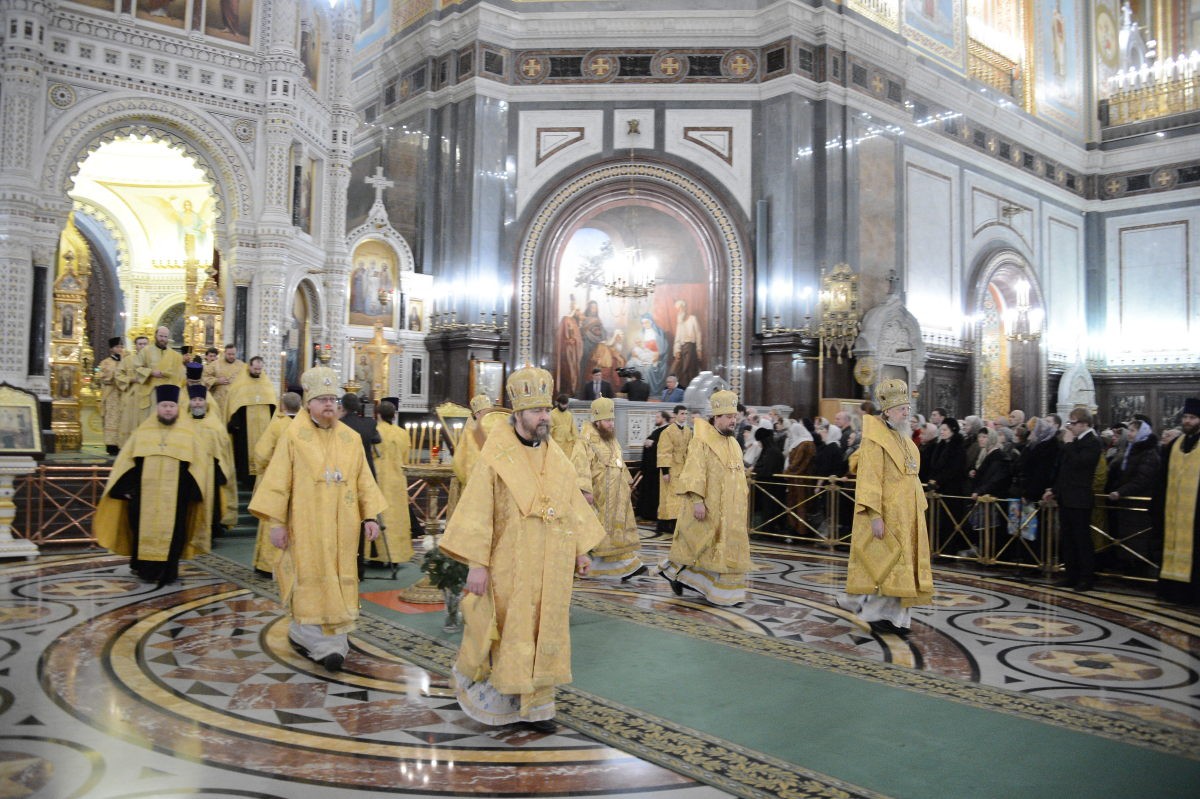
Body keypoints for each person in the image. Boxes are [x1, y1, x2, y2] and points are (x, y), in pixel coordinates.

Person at [438, 366, 605, 733]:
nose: (545, 417)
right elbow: (478, 510)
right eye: (537, 411)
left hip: (552, 564)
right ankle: (500, 699)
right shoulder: (496, 457)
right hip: (509, 566)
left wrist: (581, 551)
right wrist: (477, 564)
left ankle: (538, 707)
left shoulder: (555, 456)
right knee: (508, 630)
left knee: (547, 630)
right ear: (518, 413)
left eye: (547, 410)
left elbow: (572, 505)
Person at [249, 365, 386, 672]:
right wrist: (276, 524)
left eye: (332, 399)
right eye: (322, 399)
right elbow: (278, 482)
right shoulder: (293, 437)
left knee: (339, 576)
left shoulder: (350, 438)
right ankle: (313, 636)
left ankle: (334, 636)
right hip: (305, 526)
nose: (329, 405)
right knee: (310, 576)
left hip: (343, 527)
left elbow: (364, 480)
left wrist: (370, 517)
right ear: (308, 403)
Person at [836, 380, 933, 638]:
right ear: (887, 411)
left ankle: (896, 619)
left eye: (907, 408)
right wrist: (875, 515)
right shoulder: (875, 440)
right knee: (887, 566)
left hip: (908, 516)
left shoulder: (904, 439)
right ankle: (876, 616)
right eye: (901, 409)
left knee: (902, 569)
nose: (906, 413)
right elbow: (869, 478)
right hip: (888, 516)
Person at [93, 384, 211, 587]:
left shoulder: (188, 434)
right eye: (164, 406)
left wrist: (191, 492)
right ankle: (144, 569)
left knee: (174, 535)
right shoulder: (143, 432)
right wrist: (128, 489)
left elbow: (198, 466)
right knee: (141, 530)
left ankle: (168, 572)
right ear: (157, 408)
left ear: (177, 408)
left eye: (171, 406)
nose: (168, 410)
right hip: (143, 496)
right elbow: (128, 463)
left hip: (176, 498)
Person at [659, 390, 751, 605]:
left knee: (719, 549)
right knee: (700, 546)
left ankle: (721, 591)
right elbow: (694, 472)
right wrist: (697, 501)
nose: (733, 420)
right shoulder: (701, 441)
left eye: (735, 416)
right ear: (717, 417)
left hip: (731, 509)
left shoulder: (733, 443)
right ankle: (680, 576)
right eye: (729, 417)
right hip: (708, 505)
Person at [574, 397, 645, 580]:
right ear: (597, 421)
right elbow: (579, 466)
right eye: (607, 421)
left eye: (612, 420)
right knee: (600, 531)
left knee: (617, 531)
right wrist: (585, 490)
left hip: (618, 494)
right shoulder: (585, 440)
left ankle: (623, 563)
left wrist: (627, 482)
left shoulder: (611, 439)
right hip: (599, 495)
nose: (611, 424)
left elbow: (618, 461)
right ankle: (593, 567)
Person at [1043, 407, 1104, 592]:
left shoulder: (1093, 442)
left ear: (1084, 423)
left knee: (1081, 540)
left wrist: (1069, 444)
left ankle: (1086, 578)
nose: (1070, 427)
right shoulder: (1076, 441)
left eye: (1073, 423)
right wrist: (1054, 490)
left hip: (1080, 498)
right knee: (1067, 539)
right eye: (1069, 422)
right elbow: (1065, 470)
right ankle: (1071, 575)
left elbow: (1081, 464)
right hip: (1066, 497)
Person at [249, 392, 302, 574]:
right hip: (300, 483)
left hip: (278, 480)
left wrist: (264, 470)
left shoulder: (278, 425)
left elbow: (261, 454)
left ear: (283, 406)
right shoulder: (306, 426)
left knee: (274, 520)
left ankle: (268, 565)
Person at [1155, 397, 1200, 605]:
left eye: (1192, 418)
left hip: (1195, 516)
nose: (1187, 421)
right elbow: (1161, 479)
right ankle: (1172, 592)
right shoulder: (1174, 445)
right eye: (1185, 417)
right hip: (1172, 512)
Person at [1103, 416, 1161, 577]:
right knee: (1128, 538)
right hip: (1128, 503)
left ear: (1142, 433)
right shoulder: (1132, 449)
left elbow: (1142, 479)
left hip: (1140, 503)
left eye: (1133, 430)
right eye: (1129, 430)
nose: (1129, 433)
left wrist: (1121, 491)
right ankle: (1129, 570)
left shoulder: (1149, 453)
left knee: (1139, 539)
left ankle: (1139, 573)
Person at [367, 400, 413, 569]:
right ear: (394, 416)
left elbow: (369, 455)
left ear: (377, 414)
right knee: (396, 517)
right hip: (397, 480)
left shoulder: (374, 431)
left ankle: (377, 556)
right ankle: (396, 554)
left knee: (379, 514)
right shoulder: (402, 433)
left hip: (378, 478)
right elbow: (406, 458)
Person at [185, 384, 235, 539]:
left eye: (200, 400)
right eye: (194, 400)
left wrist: (222, 472)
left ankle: (211, 533)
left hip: (210, 473)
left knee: (211, 504)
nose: (197, 403)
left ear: (206, 403)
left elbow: (224, 452)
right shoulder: (183, 424)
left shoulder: (215, 426)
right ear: (189, 402)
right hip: (189, 472)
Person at [225, 356, 278, 488]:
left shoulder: (266, 383)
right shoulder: (241, 383)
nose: (257, 371)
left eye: (260, 369)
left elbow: (273, 404)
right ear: (249, 367)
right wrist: (235, 421)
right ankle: (246, 480)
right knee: (244, 452)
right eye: (255, 368)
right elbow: (234, 403)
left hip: (264, 425)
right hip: (245, 426)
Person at [453, 393, 509, 488]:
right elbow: (462, 458)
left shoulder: (498, 428)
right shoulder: (471, 431)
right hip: (478, 477)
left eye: (490, 411)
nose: (489, 414)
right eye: (486, 412)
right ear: (477, 414)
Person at [132, 326, 186, 423]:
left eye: (165, 337)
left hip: (168, 392)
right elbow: (136, 367)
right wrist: (151, 372)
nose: (163, 339)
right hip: (152, 391)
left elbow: (180, 374)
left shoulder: (175, 355)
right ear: (155, 336)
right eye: (161, 336)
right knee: (152, 419)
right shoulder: (146, 351)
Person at [656, 404, 692, 535]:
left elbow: (690, 449)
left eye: (686, 414)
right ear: (675, 415)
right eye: (682, 413)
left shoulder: (688, 431)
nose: (684, 416)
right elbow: (664, 452)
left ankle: (678, 523)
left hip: (683, 468)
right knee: (669, 496)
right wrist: (665, 471)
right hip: (671, 468)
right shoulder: (668, 431)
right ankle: (666, 524)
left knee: (681, 496)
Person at [637, 410, 671, 522]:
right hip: (650, 469)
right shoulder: (658, 431)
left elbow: (665, 449)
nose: (655, 419)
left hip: (658, 469)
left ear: (664, 418)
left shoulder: (667, 430)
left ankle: (652, 514)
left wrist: (652, 444)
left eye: (657, 417)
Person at [116, 335, 149, 445]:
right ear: (136, 346)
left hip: (147, 395)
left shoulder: (153, 361)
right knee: (129, 421)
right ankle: (128, 446)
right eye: (140, 344)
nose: (143, 346)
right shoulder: (128, 360)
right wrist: (131, 379)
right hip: (131, 396)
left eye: (145, 344)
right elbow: (118, 375)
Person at [338, 393, 381, 476]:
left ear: (342, 407)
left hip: (346, 467)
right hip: (366, 467)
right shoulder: (370, 423)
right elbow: (377, 439)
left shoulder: (339, 424)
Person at [97, 336, 125, 455]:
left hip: (123, 394)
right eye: (117, 347)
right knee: (111, 419)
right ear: (111, 349)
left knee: (123, 419)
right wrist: (116, 373)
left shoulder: (126, 361)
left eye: (121, 347)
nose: (120, 349)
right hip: (111, 394)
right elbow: (103, 377)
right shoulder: (105, 362)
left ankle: (122, 444)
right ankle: (111, 445)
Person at [669, 300, 702, 388]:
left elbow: (698, 334)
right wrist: (677, 350)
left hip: (691, 348)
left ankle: (690, 388)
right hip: (682, 348)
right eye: (678, 309)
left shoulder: (692, 318)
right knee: (677, 370)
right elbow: (677, 337)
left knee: (689, 369)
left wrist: (699, 349)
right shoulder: (680, 322)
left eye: (681, 308)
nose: (680, 311)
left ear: (685, 308)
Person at [202, 344, 245, 410]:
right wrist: (217, 381)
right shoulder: (215, 364)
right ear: (224, 353)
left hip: (235, 401)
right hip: (218, 401)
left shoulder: (241, 365)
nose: (231, 356)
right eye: (229, 354)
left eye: (233, 354)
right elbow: (204, 377)